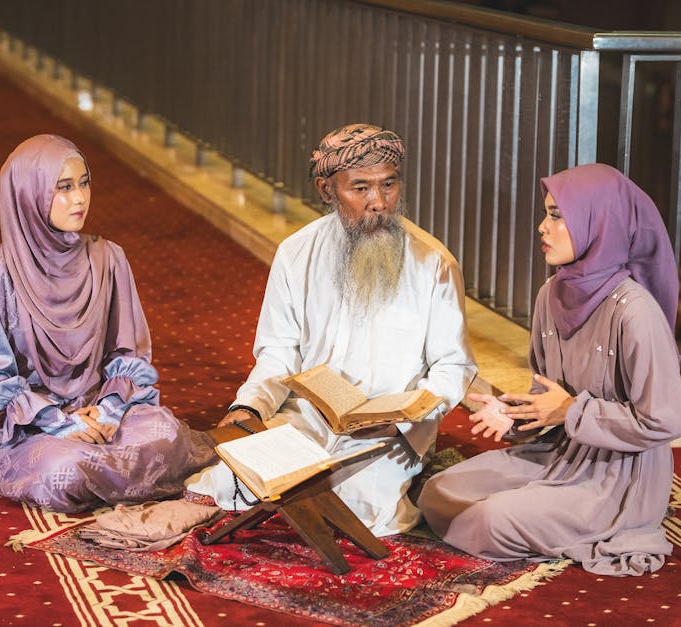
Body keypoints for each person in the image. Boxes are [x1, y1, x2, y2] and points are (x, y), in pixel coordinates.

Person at [185, 123, 477, 536]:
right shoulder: (295, 253)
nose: (379, 202)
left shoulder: (434, 263)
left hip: (389, 433)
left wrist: (405, 418)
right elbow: (279, 351)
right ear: (326, 190)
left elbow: (454, 366)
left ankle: (413, 471)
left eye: (388, 185)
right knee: (232, 481)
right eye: (360, 188)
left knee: (363, 512)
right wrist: (251, 407)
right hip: (307, 418)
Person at [417, 163, 681, 576]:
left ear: (599, 224)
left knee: (491, 520)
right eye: (546, 214)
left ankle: (582, 521)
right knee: (437, 493)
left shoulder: (635, 312)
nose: (543, 227)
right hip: (559, 454)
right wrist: (512, 413)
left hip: (617, 475)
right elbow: (548, 397)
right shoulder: (550, 294)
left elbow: (665, 420)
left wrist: (571, 411)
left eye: (557, 216)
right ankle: (540, 515)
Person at [0, 134, 216, 513]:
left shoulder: (107, 259)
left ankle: (105, 465)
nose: (79, 198)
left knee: (169, 437)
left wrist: (108, 409)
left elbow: (128, 352)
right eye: (63, 188)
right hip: (33, 423)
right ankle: (106, 470)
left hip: (99, 406)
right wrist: (61, 422)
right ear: (28, 195)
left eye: (84, 182)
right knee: (66, 470)